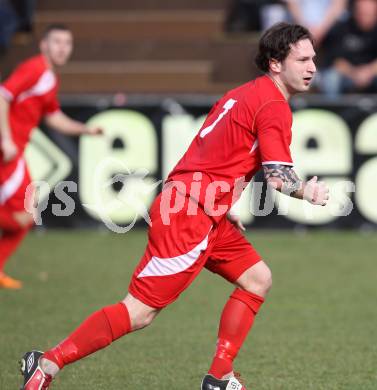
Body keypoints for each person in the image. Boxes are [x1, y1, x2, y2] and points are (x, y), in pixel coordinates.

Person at [20, 23, 329, 390]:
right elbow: (278, 177)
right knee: (138, 311)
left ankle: (219, 376)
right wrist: (306, 193)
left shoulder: (244, 94)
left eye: (313, 59)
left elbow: (210, 151)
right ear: (276, 64)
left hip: (201, 208)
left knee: (258, 278)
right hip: (190, 215)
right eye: (302, 59)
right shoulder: (273, 104)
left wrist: (223, 199)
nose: (312, 67)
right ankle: (48, 363)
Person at [0, 24, 102, 289]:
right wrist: (6, 138)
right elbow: (2, 95)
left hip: (13, 152)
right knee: (25, 212)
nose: (62, 48)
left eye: (67, 43)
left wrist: (85, 129)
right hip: (7, 151)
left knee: (27, 214)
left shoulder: (49, 78)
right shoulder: (35, 69)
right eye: (56, 42)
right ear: (43, 44)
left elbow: (53, 116)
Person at [318, 0, 377, 96]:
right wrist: (354, 74)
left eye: (368, 14)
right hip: (346, 75)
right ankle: (333, 109)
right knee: (331, 77)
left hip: (372, 75)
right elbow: (335, 60)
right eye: (361, 13)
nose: (364, 17)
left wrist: (368, 72)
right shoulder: (342, 28)